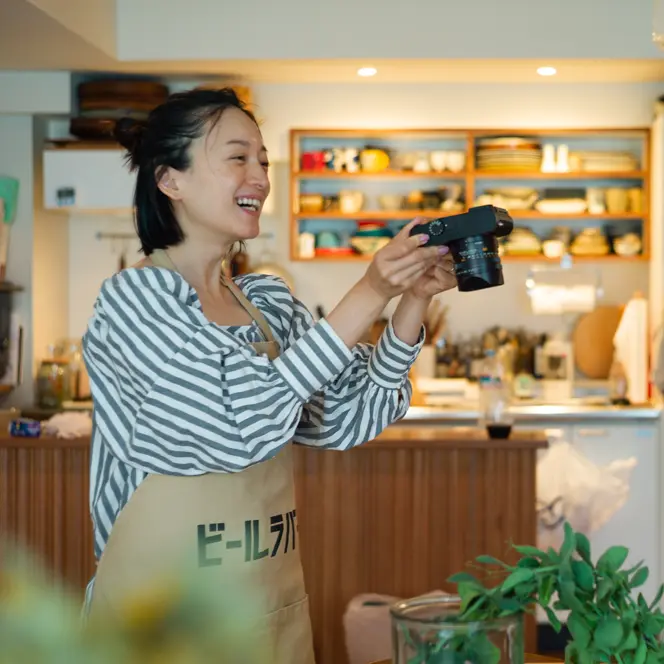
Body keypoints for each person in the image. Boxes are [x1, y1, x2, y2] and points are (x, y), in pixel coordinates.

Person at [82, 87, 456, 662]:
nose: (259, 174)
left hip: (270, 618)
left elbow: (344, 419)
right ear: (170, 180)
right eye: (237, 157)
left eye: (263, 160)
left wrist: (411, 300)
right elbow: (236, 427)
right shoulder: (136, 302)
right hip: (161, 626)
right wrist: (371, 289)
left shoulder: (266, 302)